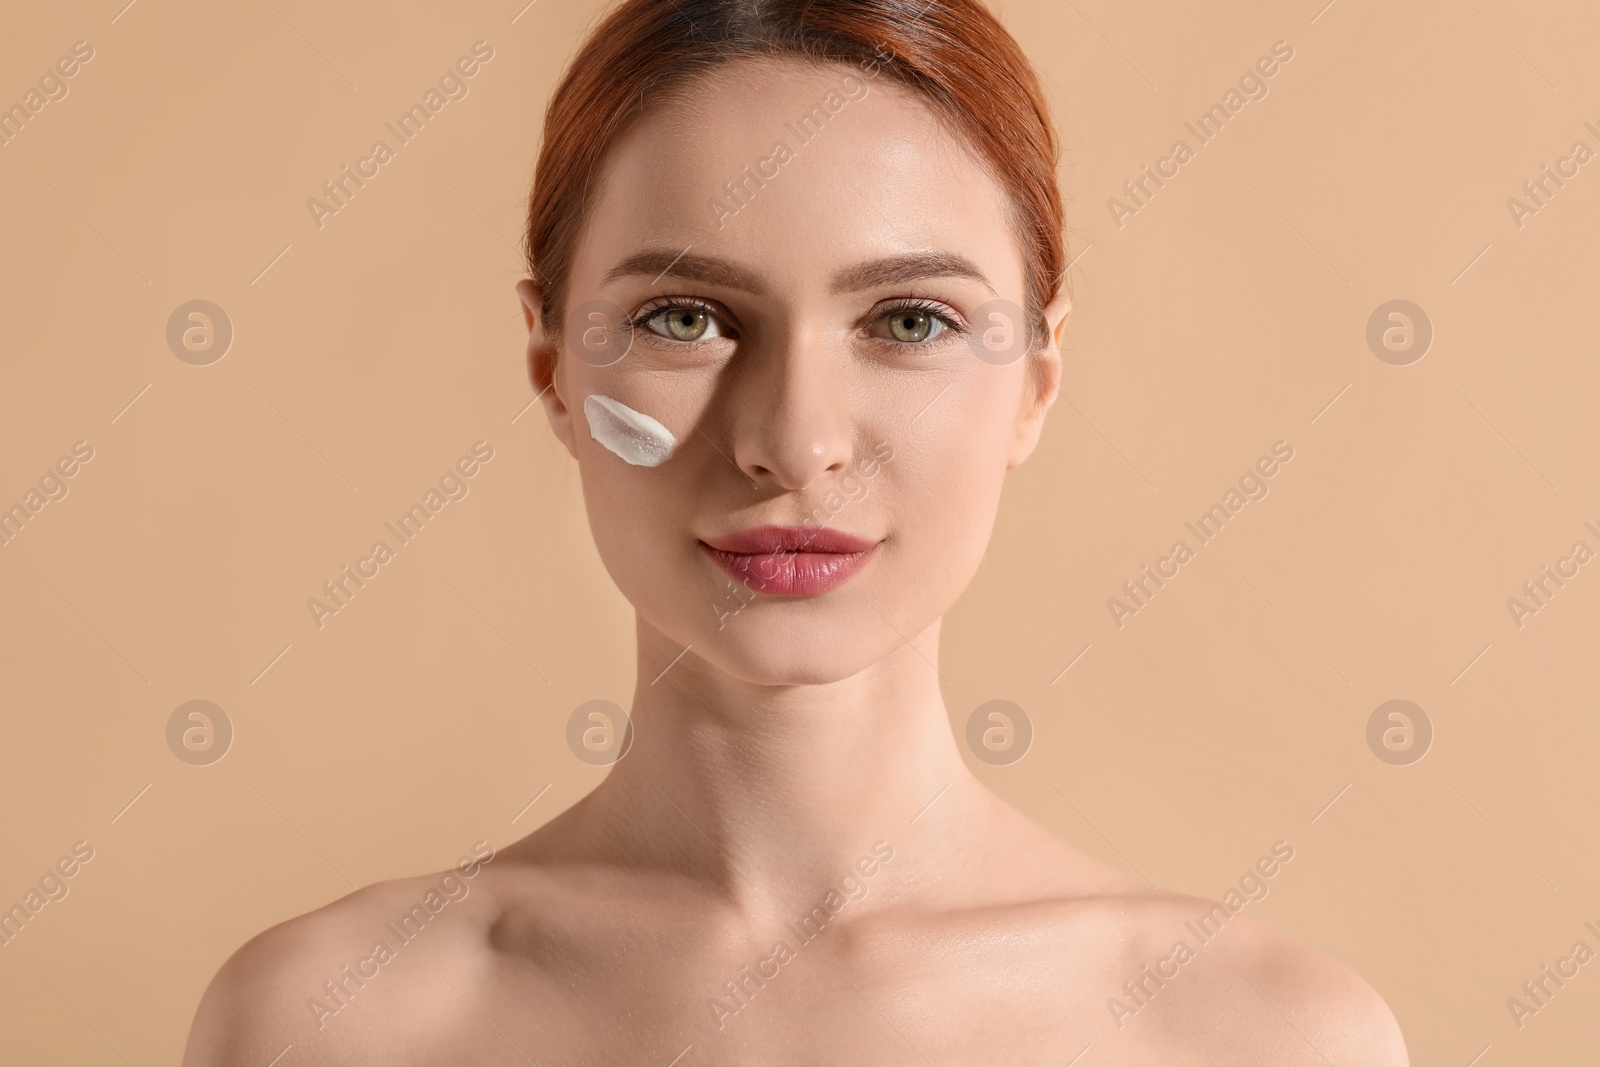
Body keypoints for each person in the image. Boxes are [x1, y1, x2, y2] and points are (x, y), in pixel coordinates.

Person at [184, 0, 1408, 1061]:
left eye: (912, 322)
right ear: (553, 369)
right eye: (685, 316)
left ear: (1034, 380)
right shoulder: (327, 1023)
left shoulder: (1266, 1039)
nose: (794, 438)